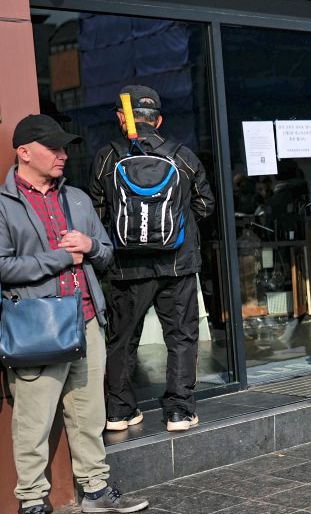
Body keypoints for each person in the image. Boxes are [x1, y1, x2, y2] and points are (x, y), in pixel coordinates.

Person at [3, 115, 150, 514]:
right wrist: (59, 258)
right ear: (24, 152)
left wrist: (89, 247)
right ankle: (32, 505)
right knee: (33, 421)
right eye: (54, 148)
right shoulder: (2, 204)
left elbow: (105, 254)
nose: (63, 155)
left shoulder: (80, 200)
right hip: (37, 326)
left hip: (86, 320)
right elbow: (2, 266)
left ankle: (96, 489)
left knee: (89, 415)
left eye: (66, 147)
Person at [89, 85, 215, 433]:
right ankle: (179, 411)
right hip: (177, 264)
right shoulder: (182, 156)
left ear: (121, 117)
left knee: (123, 338)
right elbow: (205, 206)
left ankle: (118, 411)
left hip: (126, 268)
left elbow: (97, 211)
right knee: (181, 337)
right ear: (158, 120)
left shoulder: (106, 157)